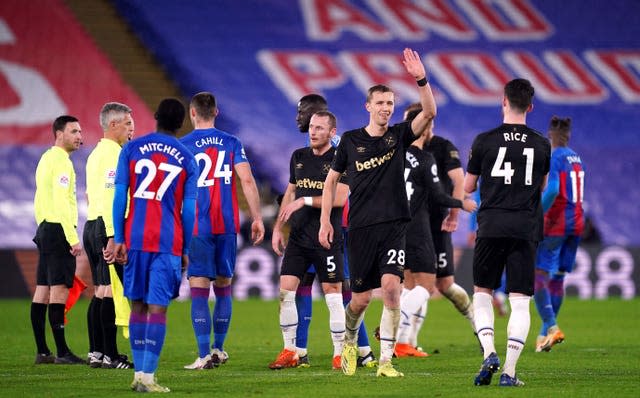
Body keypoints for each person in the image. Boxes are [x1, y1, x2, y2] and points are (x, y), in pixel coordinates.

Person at [319, 48, 436, 378]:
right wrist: (326, 220)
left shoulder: (399, 136)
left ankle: (385, 361)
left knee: (391, 289)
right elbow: (330, 183)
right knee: (359, 301)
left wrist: (420, 79)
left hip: (394, 225)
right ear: (368, 106)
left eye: (390, 104)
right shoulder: (351, 142)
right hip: (359, 228)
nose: (386, 109)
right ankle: (350, 341)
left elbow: (429, 111)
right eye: (380, 103)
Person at [464, 78, 550, 387]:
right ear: (530, 106)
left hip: (490, 225)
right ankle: (509, 373)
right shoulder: (542, 143)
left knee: (483, 293)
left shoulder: (484, 141)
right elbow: (541, 186)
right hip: (525, 226)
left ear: (503, 101)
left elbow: (468, 187)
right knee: (520, 301)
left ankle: (489, 351)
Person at [113, 98, 198, 392]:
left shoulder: (131, 149)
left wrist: (120, 237)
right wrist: (185, 248)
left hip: (135, 239)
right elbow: (189, 211)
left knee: (137, 305)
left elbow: (119, 197)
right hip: (167, 241)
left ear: (156, 117)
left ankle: (138, 374)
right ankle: (148, 376)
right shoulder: (187, 158)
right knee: (157, 308)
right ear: (180, 124)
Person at [180, 92, 265, 369]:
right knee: (224, 287)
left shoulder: (182, 146)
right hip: (226, 225)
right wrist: (257, 218)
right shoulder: (231, 142)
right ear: (215, 112)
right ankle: (219, 349)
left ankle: (204, 353)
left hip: (197, 226)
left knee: (199, 288)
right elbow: (248, 180)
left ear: (192, 113)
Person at [292, 94, 375, 368]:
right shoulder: (310, 148)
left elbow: (339, 191)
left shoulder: (336, 148)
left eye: (301, 111)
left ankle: (360, 349)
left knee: (342, 289)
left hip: (339, 224)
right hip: (312, 225)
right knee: (305, 285)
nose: (298, 117)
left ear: (315, 113)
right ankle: (300, 350)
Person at [269, 111, 348, 370]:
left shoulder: (341, 159)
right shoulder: (298, 157)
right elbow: (291, 191)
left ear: (332, 132)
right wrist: (278, 227)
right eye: (312, 127)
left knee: (333, 295)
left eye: (319, 128)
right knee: (285, 293)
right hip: (299, 237)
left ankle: (339, 353)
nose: (313, 132)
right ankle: (290, 350)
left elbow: (339, 199)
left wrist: (304, 201)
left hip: (326, 238)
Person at [397, 104, 478, 354]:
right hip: (415, 221)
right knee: (415, 283)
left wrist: (453, 215)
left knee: (443, 284)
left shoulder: (442, 147)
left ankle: (478, 323)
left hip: (436, 223)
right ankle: (406, 340)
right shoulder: (404, 147)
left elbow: (458, 180)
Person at [84, 102, 135, 369]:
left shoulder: (94, 154)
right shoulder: (115, 154)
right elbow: (109, 195)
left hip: (92, 225)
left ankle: (97, 352)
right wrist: (114, 236)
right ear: (112, 125)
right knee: (110, 293)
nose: (132, 127)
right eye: (127, 123)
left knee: (101, 290)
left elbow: (90, 195)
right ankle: (111, 356)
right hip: (106, 227)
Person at [31, 115, 85, 365]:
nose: (79, 136)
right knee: (59, 289)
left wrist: (43, 226)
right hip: (59, 231)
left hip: (45, 228)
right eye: (73, 131)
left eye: (80, 131)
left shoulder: (45, 158)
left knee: (42, 290)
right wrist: (72, 238)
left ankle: (43, 351)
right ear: (59, 134)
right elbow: (62, 201)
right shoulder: (62, 162)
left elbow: (42, 198)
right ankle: (62, 352)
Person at [533, 116, 585, 353]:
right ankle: (545, 333)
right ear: (569, 135)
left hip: (556, 224)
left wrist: (537, 213)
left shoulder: (553, 157)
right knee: (559, 277)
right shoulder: (576, 157)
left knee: (537, 274)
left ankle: (551, 327)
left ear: (549, 136)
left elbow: (553, 188)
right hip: (576, 223)